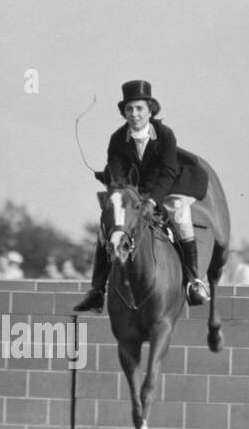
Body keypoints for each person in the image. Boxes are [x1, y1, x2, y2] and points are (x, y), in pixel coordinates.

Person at [74, 79, 210, 311]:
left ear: (150, 110)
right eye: (129, 109)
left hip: (164, 189)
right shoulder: (117, 138)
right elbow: (116, 176)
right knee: (106, 227)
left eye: (139, 109)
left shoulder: (165, 135)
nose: (134, 114)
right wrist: (130, 199)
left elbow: (168, 172)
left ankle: (193, 281)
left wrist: (152, 200)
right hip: (132, 193)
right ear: (124, 112)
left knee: (180, 215)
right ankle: (97, 289)